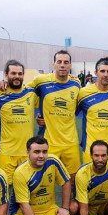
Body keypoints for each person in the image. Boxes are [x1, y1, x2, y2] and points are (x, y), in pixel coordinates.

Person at [11, 136, 75, 215]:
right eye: (36, 152)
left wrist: (65, 208)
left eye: (44, 151)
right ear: (27, 153)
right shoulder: (20, 173)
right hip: (24, 212)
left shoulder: (53, 161)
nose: (41, 155)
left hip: (48, 209)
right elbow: (24, 205)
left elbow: (66, 182)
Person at [29, 50, 81, 181]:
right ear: (53, 65)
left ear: (70, 66)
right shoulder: (40, 81)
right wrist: (3, 83)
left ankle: (69, 203)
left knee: (73, 179)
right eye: (59, 62)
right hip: (48, 142)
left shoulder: (77, 83)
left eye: (66, 62)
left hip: (71, 142)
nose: (62, 65)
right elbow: (24, 94)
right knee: (45, 179)